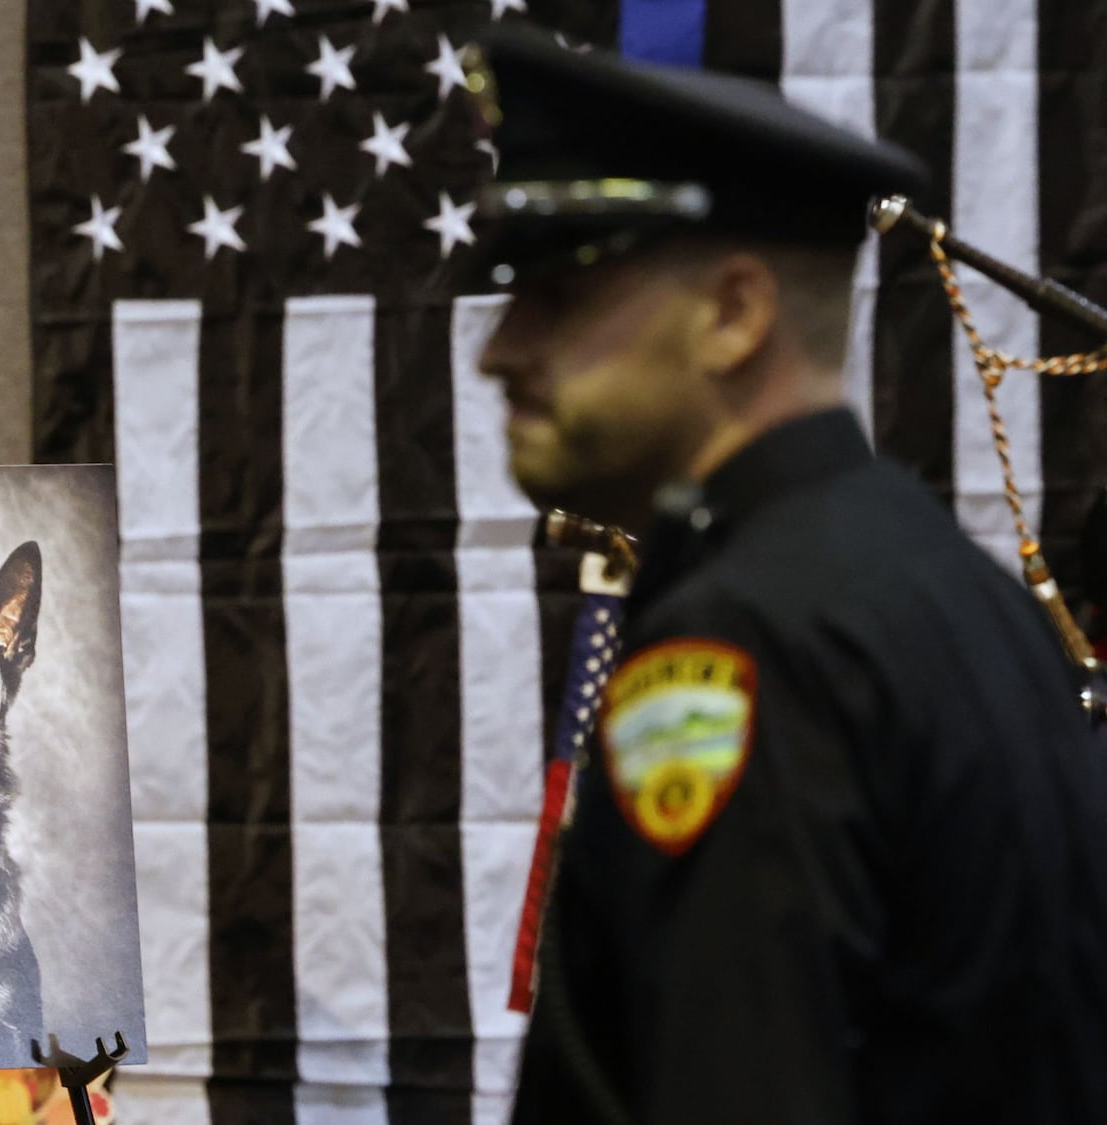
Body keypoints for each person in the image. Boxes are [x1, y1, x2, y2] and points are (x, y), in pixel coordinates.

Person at [465, 23, 1107, 1125]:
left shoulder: (745, 648)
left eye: (559, 296)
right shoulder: (970, 601)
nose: (500, 348)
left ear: (733, 314)